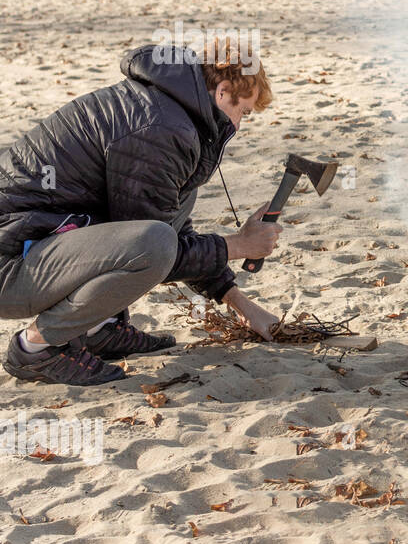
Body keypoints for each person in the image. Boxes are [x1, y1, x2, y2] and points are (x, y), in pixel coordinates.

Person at [0, 38, 284, 386]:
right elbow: (154, 250)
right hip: (12, 262)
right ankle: (35, 350)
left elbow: (166, 229)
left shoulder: (167, 109)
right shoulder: (160, 128)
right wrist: (239, 245)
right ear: (223, 91)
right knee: (154, 240)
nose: (239, 125)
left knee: (178, 204)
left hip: (43, 242)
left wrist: (242, 304)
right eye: (245, 112)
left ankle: (98, 328)